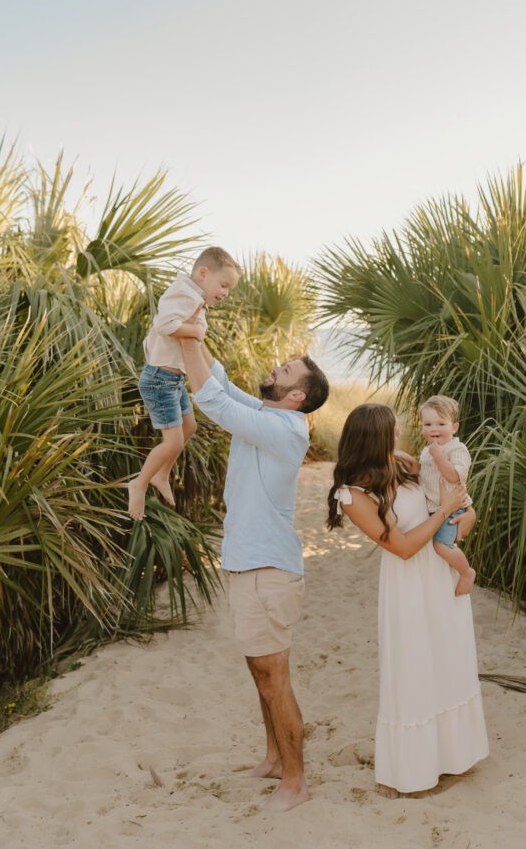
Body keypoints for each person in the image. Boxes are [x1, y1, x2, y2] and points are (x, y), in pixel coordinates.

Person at [180, 336, 329, 813]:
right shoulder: (270, 418)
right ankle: (273, 756)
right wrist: (196, 338)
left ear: (297, 397)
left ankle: (295, 782)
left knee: (273, 681)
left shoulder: (285, 430)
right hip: (250, 567)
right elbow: (220, 383)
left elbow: (213, 402)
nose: (276, 369)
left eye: (286, 371)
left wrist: (183, 340)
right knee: (258, 673)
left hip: (268, 572)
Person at [327, 403, 489, 796]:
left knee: (448, 659)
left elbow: (448, 493)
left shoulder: (400, 462)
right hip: (408, 583)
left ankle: (453, 757)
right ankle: (412, 770)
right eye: (395, 429)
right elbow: (401, 547)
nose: (401, 434)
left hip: (439, 574)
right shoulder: (352, 494)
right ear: (377, 435)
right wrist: (446, 513)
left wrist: (464, 516)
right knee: (414, 666)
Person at [128, 246, 241, 521]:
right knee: (172, 440)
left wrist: (197, 331)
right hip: (159, 380)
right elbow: (164, 324)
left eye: (229, 289)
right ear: (203, 273)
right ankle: (139, 483)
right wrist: (197, 331)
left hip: (173, 380)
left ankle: (163, 474)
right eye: (223, 285)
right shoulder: (183, 293)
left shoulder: (195, 296)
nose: (225, 293)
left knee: (189, 427)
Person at [418, 395, 477, 596]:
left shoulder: (456, 449)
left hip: (453, 508)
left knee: (441, 545)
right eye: (428, 424)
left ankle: (466, 572)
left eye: (441, 423)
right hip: (434, 508)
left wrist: (439, 455)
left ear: (454, 427)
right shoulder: (426, 451)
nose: (433, 429)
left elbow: (453, 476)